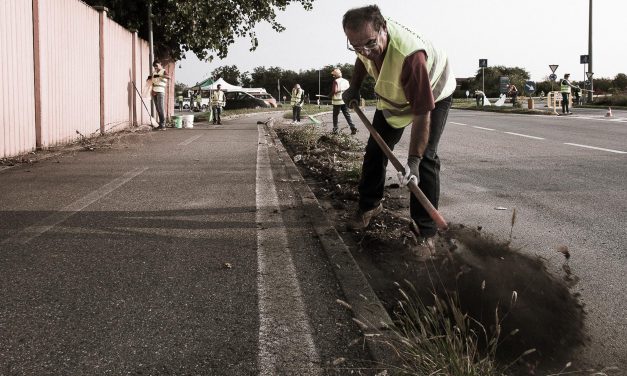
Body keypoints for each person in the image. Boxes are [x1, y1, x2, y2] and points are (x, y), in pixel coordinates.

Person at [342, 5, 456, 252]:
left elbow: (422, 112)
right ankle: (370, 205)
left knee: (426, 159)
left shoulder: (410, 56)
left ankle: (425, 232)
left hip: (433, 89)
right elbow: (362, 59)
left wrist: (412, 160)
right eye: (356, 45)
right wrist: (354, 87)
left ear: (383, 29)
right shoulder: (364, 40)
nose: (364, 50)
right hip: (396, 96)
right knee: (375, 149)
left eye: (370, 43)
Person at [329, 68, 358, 135]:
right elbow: (348, 90)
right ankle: (353, 127)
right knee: (347, 115)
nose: (333, 77)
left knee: (335, 116)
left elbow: (334, 91)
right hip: (345, 101)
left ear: (335, 75)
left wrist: (330, 95)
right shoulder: (346, 81)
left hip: (337, 102)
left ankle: (335, 130)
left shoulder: (335, 81)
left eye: (334, 75)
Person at [147, 61, 169, 130]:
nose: (155, 67)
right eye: (154, 66)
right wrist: (149, 78)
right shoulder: (154, 72)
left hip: (160, 91)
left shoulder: (163, 71)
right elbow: (150, 78)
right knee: (157, 108)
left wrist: (159, 75)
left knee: (161, 108)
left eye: (156, 65)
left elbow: (169, 77)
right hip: (154, 92)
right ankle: (161, 124)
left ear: (160, 64)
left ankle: (163, 124)